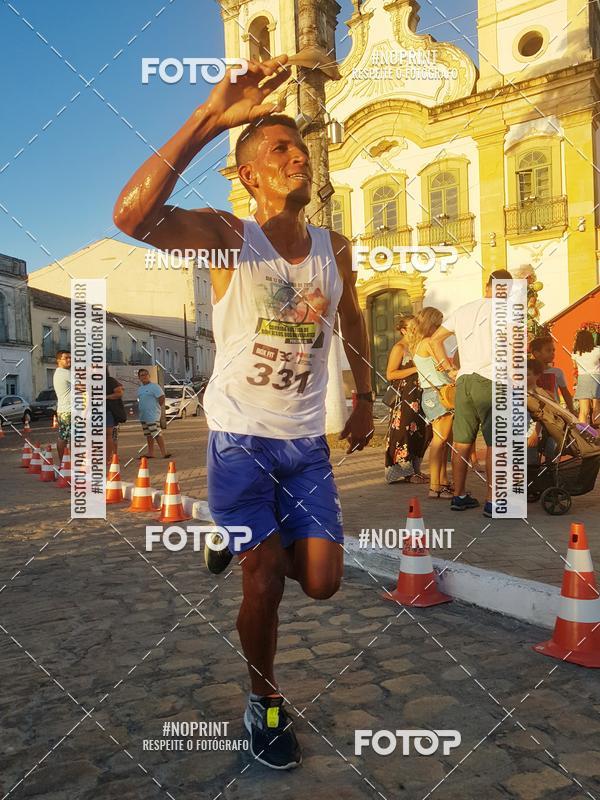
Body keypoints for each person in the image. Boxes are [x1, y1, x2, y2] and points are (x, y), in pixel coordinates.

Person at [113, 54, 373, 770]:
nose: (298, 157)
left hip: (305, 445)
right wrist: (208, 118)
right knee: (265, 578)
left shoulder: (335, 248)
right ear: (251, 176)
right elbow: (131, 215)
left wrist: (366, 396)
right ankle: (263, 698)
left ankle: (235, 537)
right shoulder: (229, 237)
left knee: (322, 582)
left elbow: (355, 318)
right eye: (278, 149)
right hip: (239, 440)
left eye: (302, 147)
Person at [430, 269, 514, 518]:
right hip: (492, 380)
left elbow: (435, 340)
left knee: (462, 442)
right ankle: (493, 501)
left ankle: (459, 495)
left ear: (487, 286)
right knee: (496, 444)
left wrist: (449, 369)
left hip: (464, 380)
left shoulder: (465, 309)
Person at [410, 308, 455, 499]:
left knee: (441, 441)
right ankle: (435, 485)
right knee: (440, 441)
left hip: (429, 393)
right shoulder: (430, 342)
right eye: (439, 323)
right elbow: (445, 367)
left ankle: (442, 481)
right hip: (440, 392)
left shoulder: (417, 344)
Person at [384, 315, 430, 484]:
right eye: (412, 328)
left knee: (423, 431)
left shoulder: (419, 346)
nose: (416, 331)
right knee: (404, 431)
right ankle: (405, 472)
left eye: (417, 327)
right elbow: (390, 374)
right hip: (405, 396)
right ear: (403, 330)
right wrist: (414, 369)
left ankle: (416, 469)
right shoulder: (400, 348)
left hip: (421, 393)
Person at [530, 336, 575, 413]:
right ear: (536, 353)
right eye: (548, 350)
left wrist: (572, 410)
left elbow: (565, 392)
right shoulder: (528, 372)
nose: (552, 353)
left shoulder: (557, 372)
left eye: (553, 350)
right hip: (534, 412)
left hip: (553, 412)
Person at [136, 369, 171, 459]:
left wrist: (156, 407)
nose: (144, 376)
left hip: (152, 415)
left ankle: (164, 452)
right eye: (142, 375)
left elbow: (161, 397)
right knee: (148, 434)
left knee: (156, 433)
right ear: (139, 377)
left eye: (145, 374)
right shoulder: (140, 389)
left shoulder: (154, 386)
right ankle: (150, 453)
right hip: (143, 415)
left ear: (149, 376)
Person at [572, 329, 600, 428]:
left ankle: (582, 434)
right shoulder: (598, 350)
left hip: (583, 379)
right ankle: (597, 434)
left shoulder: (575, 353)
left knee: (583, 411)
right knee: (597, 408)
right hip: (596, 379)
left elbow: (574, 366)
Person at [52, 350, 71, 461]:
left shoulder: (59, 372)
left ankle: (63, 463)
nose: (69, 360)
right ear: (58, 360)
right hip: (69, 411)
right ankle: (71, 464)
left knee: (63, 436)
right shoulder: (65, 373)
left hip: (64, 410)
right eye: (66, 358)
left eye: (70, 358)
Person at [106, 369, 126, 463]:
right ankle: (111, 456)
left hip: (109, 411)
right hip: (95, 412)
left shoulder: (110, 380)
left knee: (109, 435)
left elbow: (119, 393)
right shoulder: (89, 380)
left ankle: (111, 457)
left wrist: (106, 397)